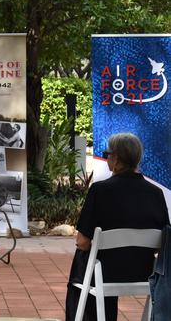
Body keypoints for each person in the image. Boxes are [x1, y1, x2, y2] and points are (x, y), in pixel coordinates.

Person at [65, 133, 170, 321]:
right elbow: (162, 241)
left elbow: (82, 242)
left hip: (103, 273)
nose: (107, 159)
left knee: (84, 262)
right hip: (144, 272)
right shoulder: (155, 194)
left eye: (107, 155)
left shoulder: (100, 190)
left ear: (116, 159)